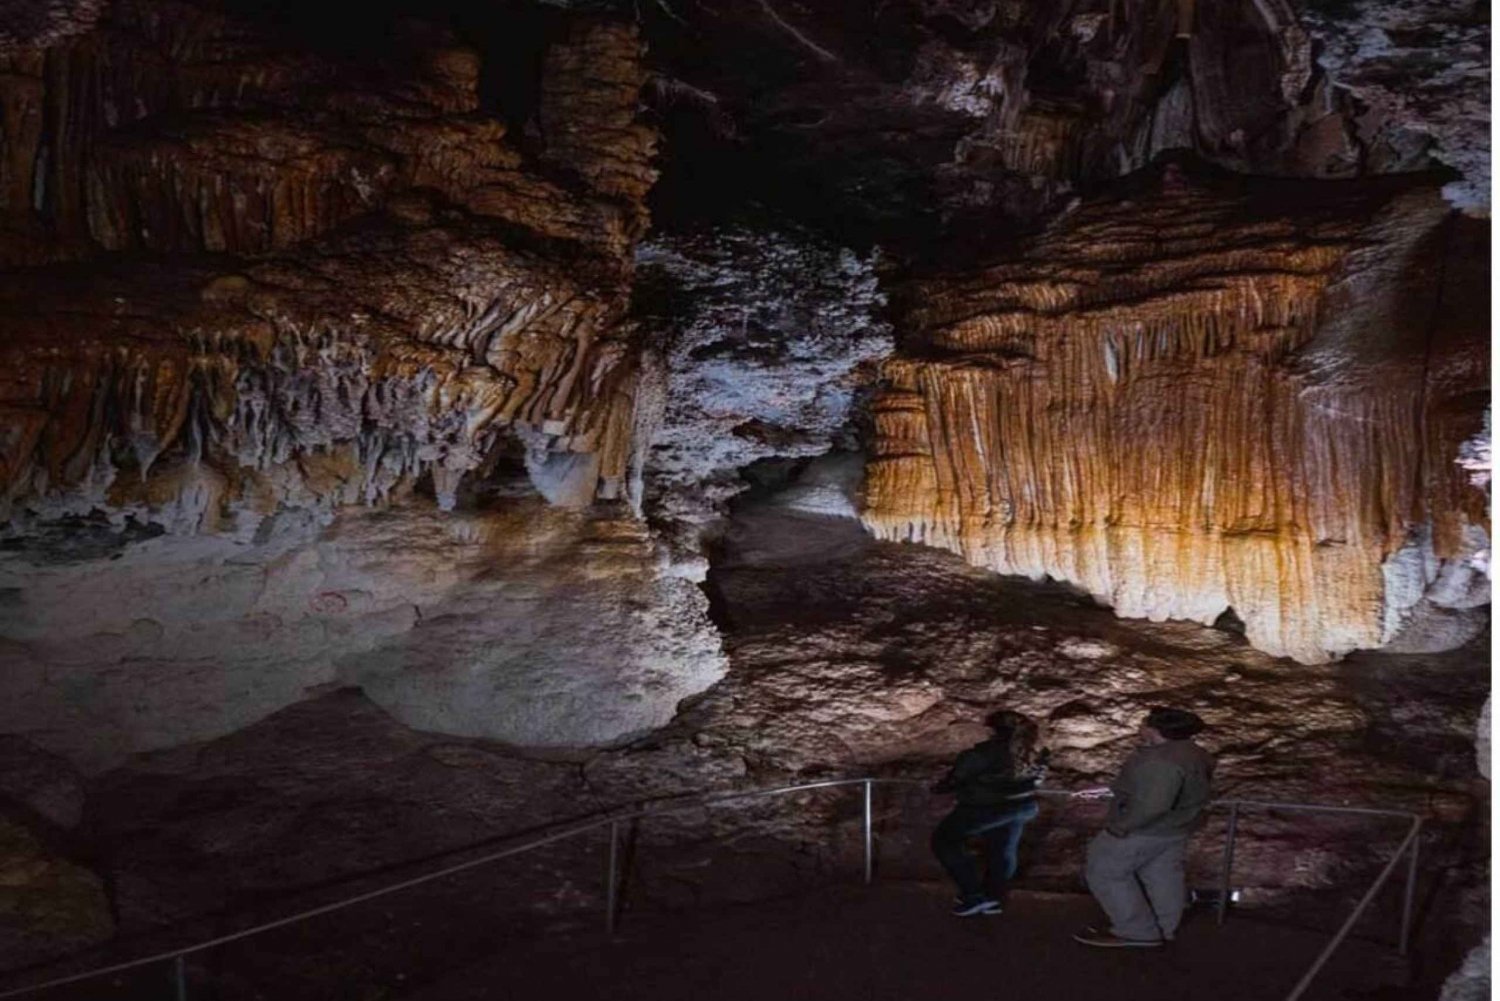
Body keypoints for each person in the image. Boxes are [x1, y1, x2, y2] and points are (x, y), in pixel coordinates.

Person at [1073, 707, 1215, 948]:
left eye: (1144, 723)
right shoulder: (1195, 753)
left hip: (1143, 830)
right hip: (1177, 827)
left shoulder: (1159, 761)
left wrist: (1121, 826)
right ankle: (1165, 927)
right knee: (1163, 877)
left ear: (1154, 729)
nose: (1139, 727)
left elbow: (1153, 804)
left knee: (1105, 873)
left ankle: (1136, 931)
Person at [930, 710, 1049, 917]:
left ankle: (974, 895)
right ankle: (994, 898)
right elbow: (1038, 779)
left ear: (993, 729)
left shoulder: (981, 754)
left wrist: (940, 788)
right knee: (1003, 851)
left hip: (985, 808)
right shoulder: (1037, 752)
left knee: (944, 841)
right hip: (1023, 807)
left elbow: (955, 780)